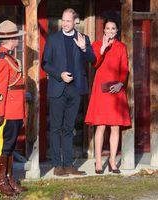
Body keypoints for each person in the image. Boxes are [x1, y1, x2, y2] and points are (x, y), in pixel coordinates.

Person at [42, 8, 96, 176]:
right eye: (63, 20)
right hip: (58, 88)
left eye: (68, 21)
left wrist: (84, 48)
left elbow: (93, 60)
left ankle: (68, 164)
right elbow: (45, 63)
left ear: (75, 21)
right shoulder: (52, 39)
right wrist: (60, 75)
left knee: (69, 127)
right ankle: (58, 166)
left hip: (76, 89)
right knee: (56, 128)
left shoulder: (83, 39)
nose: (65, 23)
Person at [85, 18, 131, 174]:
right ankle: (98, 162)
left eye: (113, 28)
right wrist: (103, 48)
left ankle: (112, 161)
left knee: (115, 127)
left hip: (116, 91)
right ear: (103, 30)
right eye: (108, 28)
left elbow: (125, 68)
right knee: (101, 126)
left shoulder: (122, 47)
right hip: (101, 90)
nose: (110, 31)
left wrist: (121, 83)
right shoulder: (97, 45)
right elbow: (95, 64)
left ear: (117, 31)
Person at [0, 20, 27, 196]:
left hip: (15, 110)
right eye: (17, 37)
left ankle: (9, 178)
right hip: (6, 111)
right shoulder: (2, 59)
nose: (19, 40)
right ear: (11, 39)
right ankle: (0, 181)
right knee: (3, 147)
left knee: (10, 146)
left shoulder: (10, 57)